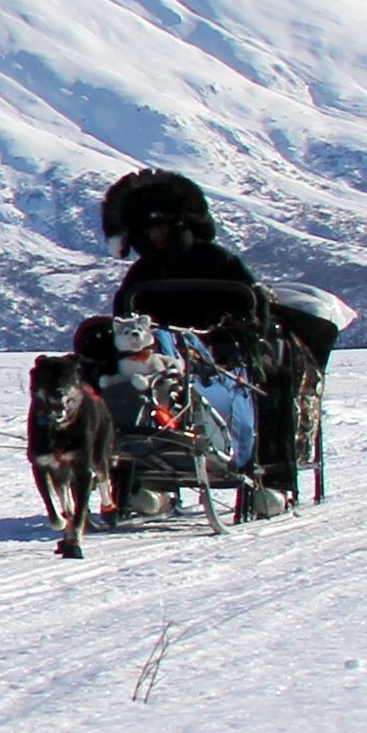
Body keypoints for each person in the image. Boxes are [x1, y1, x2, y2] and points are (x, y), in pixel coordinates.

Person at [96, 168, 327, 492]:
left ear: (181, 224)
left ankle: (273, 479)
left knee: (272, 378)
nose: (155, 237)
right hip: (161, 359)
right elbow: (125, 319)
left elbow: (252, 304)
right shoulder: (141, 274)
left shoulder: (217, 261)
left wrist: (241, 334)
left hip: (222, 353)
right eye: (147, 230)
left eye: (161, 228)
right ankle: (138, 482)